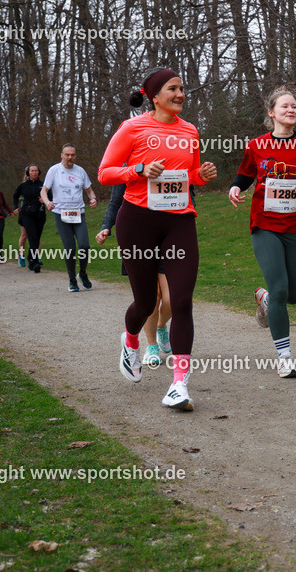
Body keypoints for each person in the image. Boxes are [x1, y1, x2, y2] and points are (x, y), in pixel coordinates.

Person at [98, 67, 217, 411]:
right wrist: (138, 170)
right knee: (146, 303)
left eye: (182, 89)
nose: (180, 94)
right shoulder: (132, 128)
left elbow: (188, 176)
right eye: (172, 89)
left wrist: (202, 175)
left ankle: (179, 384)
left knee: (181, 301)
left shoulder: (190, 130)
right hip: (137, 221)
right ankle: (131, 339)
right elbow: (105, 173)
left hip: (179, 220)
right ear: (153, 95)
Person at [228, 87, 296, 378]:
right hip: (264, 224)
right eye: (285, 106)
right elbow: (245, 174)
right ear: (271, 113)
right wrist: (236, 187)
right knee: (281, 287)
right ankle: (284, 357)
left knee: (293, 294)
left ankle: (266, 300)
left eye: (295, 106)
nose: (291, 110)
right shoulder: (256, 144)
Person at [97, 181, 172, 367]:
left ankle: (161, 326)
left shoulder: (173, 159)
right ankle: (152, 345)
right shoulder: (129, 166)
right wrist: (106, 226)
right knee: (151, 297)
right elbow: (116, 202)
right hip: (138, 236)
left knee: (173, 298)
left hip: (168, 235)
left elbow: (187, 193)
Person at [42, 144, 97, 291]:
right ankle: (72, 280)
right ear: (61, 155)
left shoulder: (80, 171)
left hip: (78, 213)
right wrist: (48, 202)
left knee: (85, 246)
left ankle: (83, 273)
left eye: (72, 154)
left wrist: (93, 199)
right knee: (70, 248)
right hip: (61, 214)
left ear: (75, 156)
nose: (70, 157)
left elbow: (90, 191)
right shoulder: (54, 170)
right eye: (67, 154)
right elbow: (44, 190)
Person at [13, 165, 46, 272]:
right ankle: (34, 262)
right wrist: (15, 207)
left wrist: (45, 200)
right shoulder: (23, 185)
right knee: (31, 237)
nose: (34, 173)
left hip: (40, 214)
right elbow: (15, 195)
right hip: (27, 214)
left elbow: (51, 196)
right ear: (28, 173)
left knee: (36, 238)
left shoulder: (43, 185)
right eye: (32, 171)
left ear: (39, 172)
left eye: (36, 171)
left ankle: (32, 259)